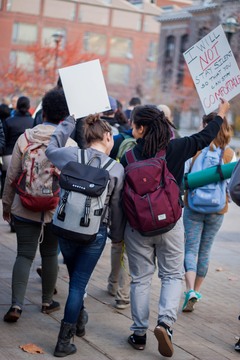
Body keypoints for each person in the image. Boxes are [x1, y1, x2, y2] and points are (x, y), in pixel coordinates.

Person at [120, 100, 230, 357]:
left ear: (141, 129)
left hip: (137, 227)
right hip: (170, 223)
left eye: (134, 125)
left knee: (140, 278)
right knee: (170, 275)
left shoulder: (129, 156)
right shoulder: (177, 147)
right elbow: (205, 137)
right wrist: (221, 114)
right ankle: (165, 324)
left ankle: (138, 334)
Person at [46, 113, 125, 357]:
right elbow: (116, 208)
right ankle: (63, 341)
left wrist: (70, 120)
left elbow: (50, 149)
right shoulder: (116, 169)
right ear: (108, 137)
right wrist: (117, 236)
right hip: (94, 233)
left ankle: (78, 320)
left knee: (74, 279)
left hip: (65, 227)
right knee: (78, 284)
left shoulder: (71, 155)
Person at [2, 88, 76, 323]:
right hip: (55, 211)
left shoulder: (25, 138)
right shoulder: (70, 143)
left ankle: (16, 305)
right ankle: (46, 301)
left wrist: (6, 205)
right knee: (49, 255)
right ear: (64, 116)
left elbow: (12, 176)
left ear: (43, 112)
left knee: (24, 255)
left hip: (24, 206)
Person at [182, 112, 236, 313]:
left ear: (207, 127)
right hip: (217, 209)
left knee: (190, 248)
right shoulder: (230, 154)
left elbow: (185, 177)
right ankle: (197, 290)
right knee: (205, 250)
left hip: (193, 206)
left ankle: (189, 291)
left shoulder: (195, 150)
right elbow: (232, 185)